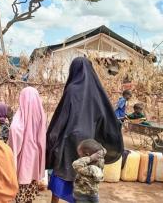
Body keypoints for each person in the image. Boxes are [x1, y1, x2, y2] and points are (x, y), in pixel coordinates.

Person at [46, 57, 123, 203]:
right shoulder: (97, 92)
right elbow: (104, 116)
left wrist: (52, 137)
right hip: (89, 141)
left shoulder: (72, 89)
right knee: (83, 176)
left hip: (68, 139)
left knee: (62, 172)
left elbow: (62, 116)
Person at [8, 87, 47, 203]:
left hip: (22, 160)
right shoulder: (41, 115)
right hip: (35, 159)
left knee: (20, 191)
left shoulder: (19, 118)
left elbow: (15, 135)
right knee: (30, 192)